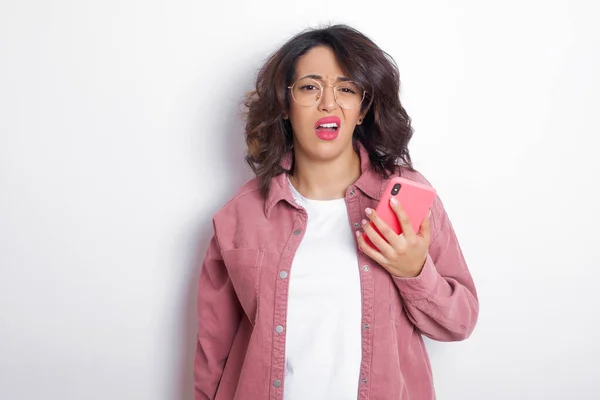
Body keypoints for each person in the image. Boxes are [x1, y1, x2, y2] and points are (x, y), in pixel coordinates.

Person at [193, 24, 479, 400]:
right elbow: (213, 352)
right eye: (310, 87)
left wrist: (414, 272)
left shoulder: (406, 200)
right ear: (285, 105)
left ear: (362, 109)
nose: (328, 102)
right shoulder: (239, 217)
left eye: (346, 89)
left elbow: (459, 322)